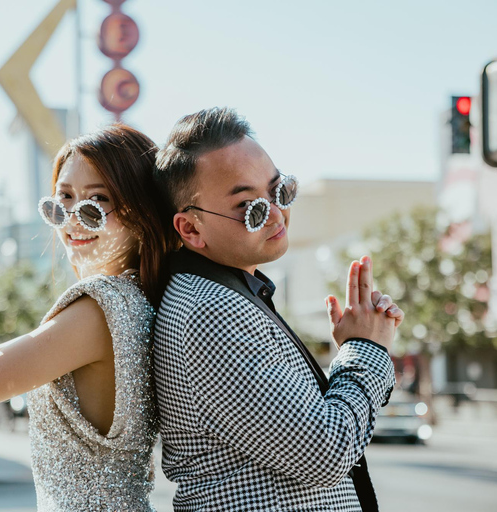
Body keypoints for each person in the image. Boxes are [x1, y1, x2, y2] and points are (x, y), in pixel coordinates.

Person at [0, 124, 175, 511]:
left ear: (142, 214)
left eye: (97, 202)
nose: (72, 220)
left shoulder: (101, 308)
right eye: (62, 200)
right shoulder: (135, 301)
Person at [152, 107, 405, 511]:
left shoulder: (228, 293)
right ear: (191, 229)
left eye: (279, 190)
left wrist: (355, 348)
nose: (276, 213)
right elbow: (326, 452)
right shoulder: (210, 312)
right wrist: (365, 350)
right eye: (249, 208)